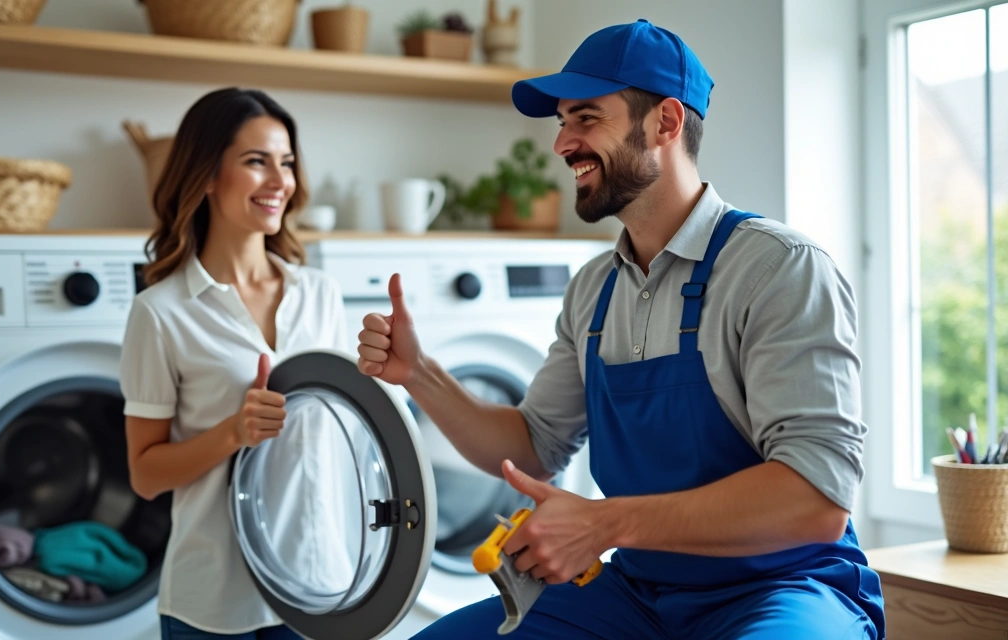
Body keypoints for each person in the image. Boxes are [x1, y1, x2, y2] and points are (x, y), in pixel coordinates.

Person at [357, 19, 886, 640]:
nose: (563, 143)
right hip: (637, 595)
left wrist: (604, 524)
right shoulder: (592, 290)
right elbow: (533, 446)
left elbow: (816, 500)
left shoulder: (779, 269)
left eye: (586, 118)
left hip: (784, 587)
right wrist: (419, 374)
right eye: (562, 123)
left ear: (666, 122)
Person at [120, 87, 353, 640]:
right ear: (205, 175)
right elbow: (145, 475)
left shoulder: (320, 295)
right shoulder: (161, 312)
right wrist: (233, 432)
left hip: (319, 584)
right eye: (256, 162)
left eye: (287, 163)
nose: (279, 182)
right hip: (214, 601)